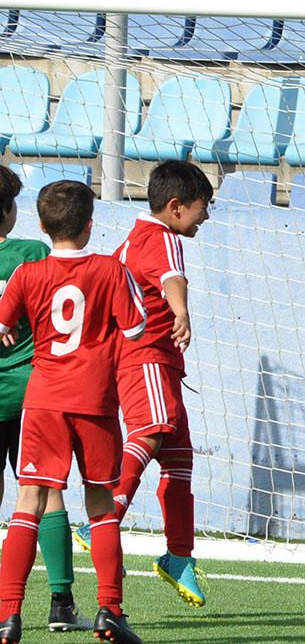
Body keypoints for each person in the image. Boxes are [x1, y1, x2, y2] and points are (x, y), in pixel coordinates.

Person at [0, 180, 147, 643]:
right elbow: (137, 325)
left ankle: (7, 617)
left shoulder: (28, 273)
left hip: (43, 401)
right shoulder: (109, 269)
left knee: (28, 503)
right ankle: (110, 611)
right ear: (89, 225)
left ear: (42, 225)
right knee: (102, 505)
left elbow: (3, 323)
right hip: (94, 402)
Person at [74, 161, 212, 608]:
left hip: (151, 361)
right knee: (153, 430)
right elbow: (173, 276)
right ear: (175, 207)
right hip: (146, 357)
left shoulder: (130, 241)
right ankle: (103, 516)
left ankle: (179, 555)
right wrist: (182, 311)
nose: (205, 217)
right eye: (201, 208)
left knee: (178, 456)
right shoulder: (162, 237)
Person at [0, 167, 94, 634]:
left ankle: (4, 603)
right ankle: (60, 601)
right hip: (32, 389)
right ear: (11, 213)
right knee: (45, 490)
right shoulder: (34, 256)